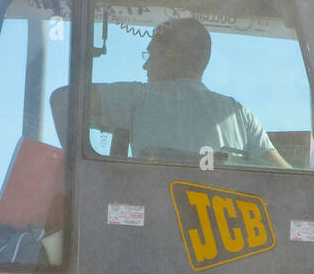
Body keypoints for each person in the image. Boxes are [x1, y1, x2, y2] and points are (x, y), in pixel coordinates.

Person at [50, 17, 290, 167]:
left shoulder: (139, 97)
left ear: (170, 56)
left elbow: (62, 100)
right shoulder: (240, 114)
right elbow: (285, 174)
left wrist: (87, 169)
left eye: (150, 55)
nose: (145, 65)